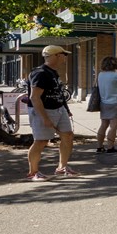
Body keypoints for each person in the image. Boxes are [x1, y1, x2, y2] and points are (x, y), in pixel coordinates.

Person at [26, 45, 79, 181]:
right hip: (44, 110)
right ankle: (33, 172)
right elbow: (34, 97)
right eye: (63, 54)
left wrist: (66, 109)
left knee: (68, 135)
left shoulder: (53, 72)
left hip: (59, 109)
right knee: (41, 141)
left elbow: (58, 92)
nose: (65, 57)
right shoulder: (40, 73)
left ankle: (62, 167)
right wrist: (45, 118)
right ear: (56, 56)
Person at [95, 56, 117, 153]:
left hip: (104, 102)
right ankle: (110, 147)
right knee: (113, 126)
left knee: (103, 125)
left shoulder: (100, 75)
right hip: (116, 103)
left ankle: (99, 146)